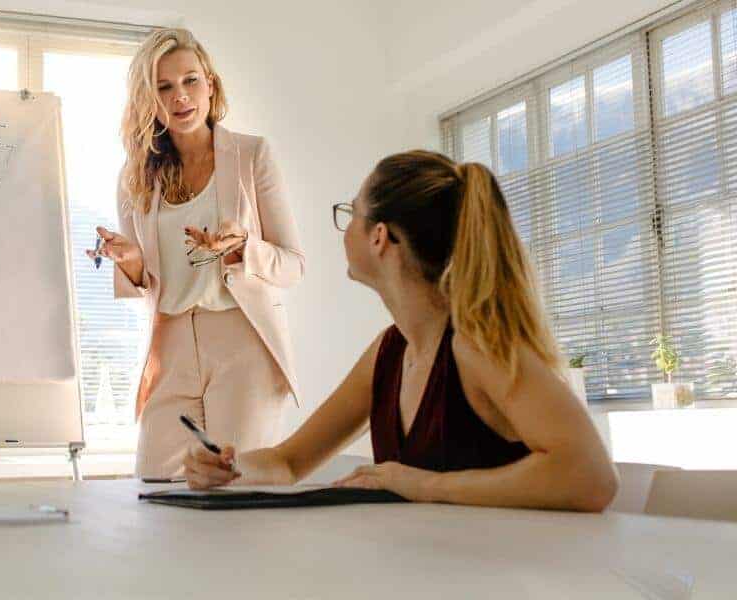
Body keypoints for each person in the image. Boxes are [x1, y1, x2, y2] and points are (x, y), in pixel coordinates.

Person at [184, 150, 619, 512]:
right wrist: (230, 466)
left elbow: (590, 475)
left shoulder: (475, 346)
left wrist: (423, 486)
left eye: (350, 214)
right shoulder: (390, 352)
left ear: (379, 237)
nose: (345, 228)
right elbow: (287, 462)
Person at [88, 29, 304, 478]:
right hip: (171, 345)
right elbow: (146, 285)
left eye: (190, 81)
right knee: (153, 485)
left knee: (236, 486)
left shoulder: (251, 155)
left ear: (210, 84)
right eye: (163, 87)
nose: (180, 97)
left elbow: (292, 265)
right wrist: (129, 262)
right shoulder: (135, 179)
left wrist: (244, 245)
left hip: (242, 340)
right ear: (149, 100)